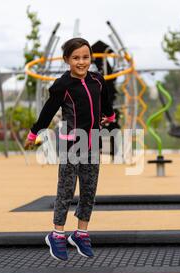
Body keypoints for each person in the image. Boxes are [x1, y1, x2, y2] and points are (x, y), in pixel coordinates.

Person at [24, 38, 116, 261]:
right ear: (67, 60)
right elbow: (48, 111)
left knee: (89, 190)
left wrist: (110, 116)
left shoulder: (98, 80)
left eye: (85, 57)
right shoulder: (62, 85)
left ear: (90, 59)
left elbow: (105, 101)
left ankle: (81, 233)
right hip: (71, 145)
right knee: (65, 189)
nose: (81, 62)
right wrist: (35, 132)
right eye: (76, 58)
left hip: (93, 143)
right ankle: (57, 234)